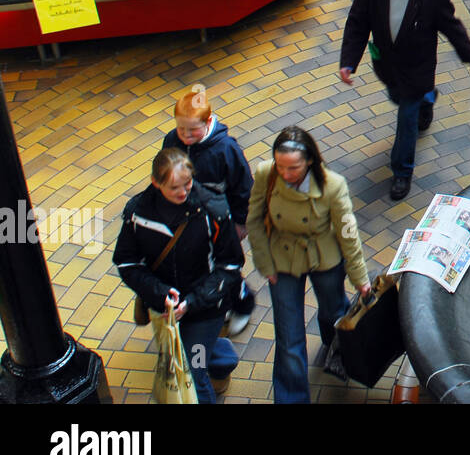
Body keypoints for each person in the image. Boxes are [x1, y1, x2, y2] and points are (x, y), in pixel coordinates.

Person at [339, 0, 470, 200]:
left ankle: (402, 172)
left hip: (418, 66)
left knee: (406, 118)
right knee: (399, 97)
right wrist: (348, 61)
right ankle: (428, 100)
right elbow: (358, 22)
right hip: (387, 64)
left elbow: (450, 26)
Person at [247, 127, 371, 404]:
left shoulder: (333, 184)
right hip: (282, 258)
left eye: (293, 167)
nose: (286, 174)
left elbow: (347, 233)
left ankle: (335, 346)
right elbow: (254, 220)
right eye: (281, 166)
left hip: (323, 255)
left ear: (310, 161)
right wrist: (264, 263)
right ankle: (291, 398)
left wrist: (360, 278)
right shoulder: (265, 174)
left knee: (333, 312)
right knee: (289, 338)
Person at [114, 149, 244, 403]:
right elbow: (127, 262)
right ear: (156, 183)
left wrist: (192, 302)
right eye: (175, 187)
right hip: (165, 309)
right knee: (191, 353)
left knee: (193, 371)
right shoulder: (137, 213)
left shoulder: (212, 210)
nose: (184, 192)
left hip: (206, 309)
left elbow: (230, 265)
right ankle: (221, 357)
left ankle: (213, 356)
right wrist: (159, 292)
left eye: (188, 183)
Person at [161, 84, 257, 336]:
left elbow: (243, 189)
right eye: (181, 128)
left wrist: (240, 223)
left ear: (209, 121)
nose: (185, 135)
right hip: (187, 222)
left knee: (225, 266)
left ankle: (242, 303)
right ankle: (219, 302)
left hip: (220, 224)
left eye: (193, 130)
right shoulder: (171, 141)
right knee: (202, 267)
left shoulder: (226, 150)